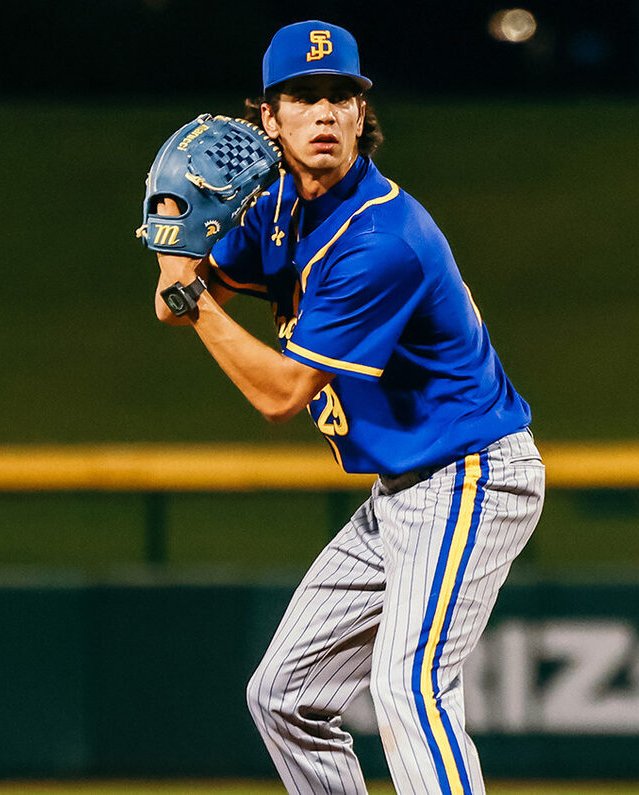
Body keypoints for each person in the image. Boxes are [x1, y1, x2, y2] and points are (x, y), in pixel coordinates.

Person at [152, 20, 544, 795]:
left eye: (341, 96)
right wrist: (173, 231)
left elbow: (278, 393)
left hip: (468, 476)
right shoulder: (275, 212)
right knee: (283, 695)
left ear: (363, 115)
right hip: (399, 491)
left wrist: (189, 292)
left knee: (409, 685)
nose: (324, 113)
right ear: (269, 118)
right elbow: (178, 300)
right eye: (302, 97)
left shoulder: (382, 236)